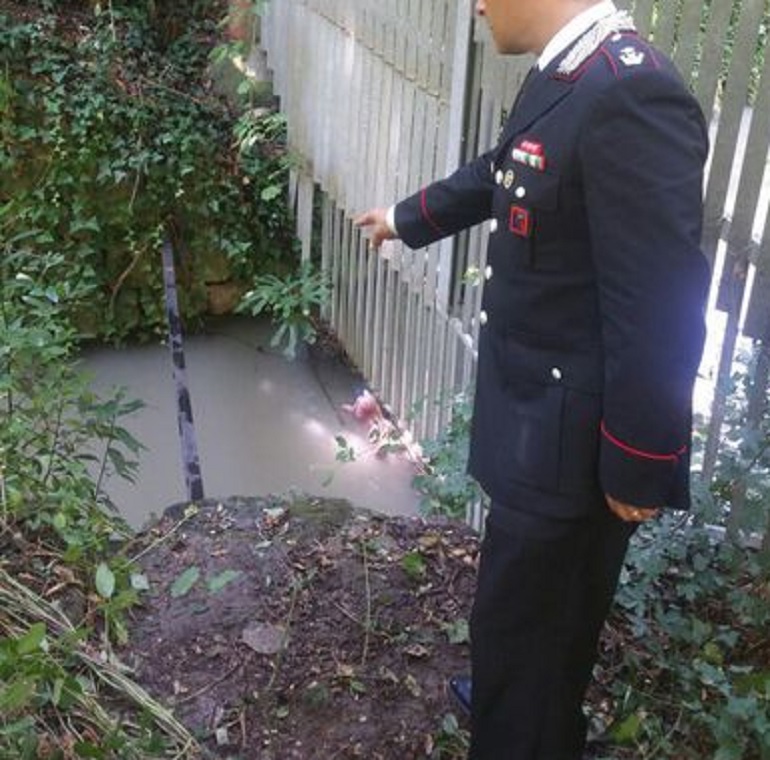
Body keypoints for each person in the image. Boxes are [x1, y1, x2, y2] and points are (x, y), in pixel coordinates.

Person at [356, 0, 710, 757]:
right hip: (535, 425)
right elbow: (507, 170)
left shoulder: (630, 92)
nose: (479, 6)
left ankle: (521, 728)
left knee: (534, 628)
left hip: (573, 447)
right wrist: (407, 218)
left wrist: (640, 461)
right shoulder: (569, 73)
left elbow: (661, 303)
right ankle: (511, 700)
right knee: (520, 615)